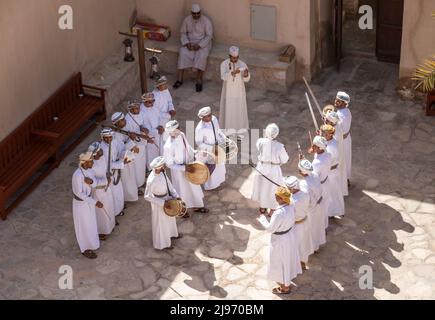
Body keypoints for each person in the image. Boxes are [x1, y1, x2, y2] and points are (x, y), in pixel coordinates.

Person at [257, 186, 302, 295]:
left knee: (279, 262)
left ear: (282, 198)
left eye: (277, 195)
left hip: (280, 240)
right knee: (288, 259)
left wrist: (262, 218)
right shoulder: (291, 205)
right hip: (289, 236)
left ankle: (284, 287)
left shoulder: (278, 213)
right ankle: (288, 278)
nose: (275, 196)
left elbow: (270, 228)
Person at [163, 120, 209, 216]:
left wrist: (196, 152)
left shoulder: (182, 135)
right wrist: (184, 168)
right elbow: (169, 164)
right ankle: (182, 210)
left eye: (178, 128)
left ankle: (197, 205)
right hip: (179, 171)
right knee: (182, 190)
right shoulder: (168, 147)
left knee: (194, 187)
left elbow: (188, 147)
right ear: (171, 132)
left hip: (190, 165)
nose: (179, 130)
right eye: (176, 129)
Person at [144, 156, 183, 250]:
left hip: (168, 199)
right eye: (163, 165)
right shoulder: (151, 180)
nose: (165, 166)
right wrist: (162, 203)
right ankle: (162, 244)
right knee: (161, 224)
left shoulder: (163, 173)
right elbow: (147, 196)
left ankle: (172, 235)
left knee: (170, 220)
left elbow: (169, 185)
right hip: (159, 204)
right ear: (159, 167)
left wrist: (176, 196)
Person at [173, 3, 213, 92]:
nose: (196, 15)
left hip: (203, 43)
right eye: (194, 13)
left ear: (200, 12)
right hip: (190, 43)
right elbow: (183, 33)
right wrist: (187, 43)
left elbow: (209, 36)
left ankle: (199, 80)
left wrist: (199, 45)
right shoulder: (186, 20)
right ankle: (180, 79)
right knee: (182, 53)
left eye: (198, 13)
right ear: (191, 13)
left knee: (202, 56)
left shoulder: (206, 21)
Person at [251, 123, 289, 214]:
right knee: (273, 189)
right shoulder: (279, 146)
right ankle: (272, 210)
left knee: (262, 187)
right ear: (276, 134)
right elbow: (284, 159)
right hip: (274, 170)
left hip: (261, 167)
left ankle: (262, 207)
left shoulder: (260, 141)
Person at [72, 152, 102, 259]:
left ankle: (93, 243)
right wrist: (94, 202)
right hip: (81, 204)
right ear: (84, 163)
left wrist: (91, 181)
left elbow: (95, 183)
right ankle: (84, 248)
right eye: (91, 161)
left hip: (89, 201)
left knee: (91, 223)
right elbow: (79, 193)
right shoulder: (77, 175)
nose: (93, 162)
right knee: (83, 226)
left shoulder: (90, 171)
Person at [219, 46, 250, 139]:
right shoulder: (224, 64)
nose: (235, 60)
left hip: (239, 91)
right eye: (233, 58)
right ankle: (228, 131)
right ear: (229, 56)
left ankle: (239, 131)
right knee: (229, 109)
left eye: (236, 58)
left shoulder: (242, 64)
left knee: (239, 109)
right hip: (228, 92)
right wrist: (232, 73)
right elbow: (223, 77)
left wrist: (246, 74)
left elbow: (247, 79)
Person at [285, 176, 314, 270]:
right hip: (306, 221)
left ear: (292, 188)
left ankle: (295, 266)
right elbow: (311, 204)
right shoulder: (306, 193)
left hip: (296, 226)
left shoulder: (291, 201)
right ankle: (303, 262)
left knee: (295, 246)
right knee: (304, 243)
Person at [88, 142, 116, 239]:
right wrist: (105, 181)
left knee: (109, 207)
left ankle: (110, 225)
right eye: (99, 151)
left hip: (107, 187)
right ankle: (101, 231)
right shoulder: (91, 165)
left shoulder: (103, 158)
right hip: (98, 191)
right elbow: (92, 182)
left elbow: (106, 170)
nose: (101, 151)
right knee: (101, 212)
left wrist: (108, 175)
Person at [298, 159, 326, 252]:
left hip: (312, 209)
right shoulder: (315, 174)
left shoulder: (303, 184)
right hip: (320, 203)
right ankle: (317, 244)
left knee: (311, 229)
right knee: (318, 226)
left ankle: (313, 247)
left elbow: (307, 199)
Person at [195, 106, 226, 190]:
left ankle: (219, 182)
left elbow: (218, 130)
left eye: (210, 114)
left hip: (217, 146)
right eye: (208, 116)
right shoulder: (199, 129)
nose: (210, 117)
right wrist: (211, 148)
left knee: (219, 167)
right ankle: (210, 186)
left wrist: (223, 138)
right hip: (208, 151)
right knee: (211, 168)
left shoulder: (214, 119)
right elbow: (199, 143)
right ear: (202, 118)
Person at [112, 112, 140, 203]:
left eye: (124, 119)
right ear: (116, 124)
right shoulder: (115, 136)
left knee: (132, 177)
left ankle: (134, 192)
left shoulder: (125, 128)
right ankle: (129, 197)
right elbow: (120, 152)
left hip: (129, 158)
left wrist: (133, 144)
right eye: (121, 121)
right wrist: (131, 142)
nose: (124, 121)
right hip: (123, 162)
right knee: (127, 181)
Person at [100, 128, 126, 216]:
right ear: (102, 138)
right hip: (109, 174)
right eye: (106, 138)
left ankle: (120, 208)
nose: (108, 140)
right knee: (113, 194)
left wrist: (125, 156)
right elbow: (108, 164)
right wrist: (122, 163)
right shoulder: (102, 149)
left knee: (119, 192)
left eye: (110, 137)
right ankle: (115, 213)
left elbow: (121, 149)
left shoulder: (114, 142)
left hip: (116, 171)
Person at [320, 124, 345, 218]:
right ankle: (333, 211)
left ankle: (336, 211)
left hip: (331, 172)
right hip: (332, 171)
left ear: (330, 134)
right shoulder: (331, 140)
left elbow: (327, 160)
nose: (322, 135)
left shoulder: (331, 146)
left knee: (333, 192)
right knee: (332, 192)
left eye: (324, 134)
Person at [125, 102, 150, 191]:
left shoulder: (140, 114)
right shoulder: (127, 120)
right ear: (130, 109)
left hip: (142, 144)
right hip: (135, 147)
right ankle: (137, 186)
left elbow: (143, 123)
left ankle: (142, 182)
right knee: (136, 167)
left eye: (138, 108)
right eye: (136, 108)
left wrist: (144, 128)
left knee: (141, 166)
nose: (138, 110)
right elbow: (128, 136)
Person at [309, 136, 332, 230]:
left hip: (320, 186)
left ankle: (321, 227)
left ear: (319, 148)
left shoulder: (317, 163)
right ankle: (324, 225)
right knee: (325, 205)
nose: (312, 146)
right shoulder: (328, 154)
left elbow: (312, 176)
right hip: (326, 182)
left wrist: (303, 162)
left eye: (314, 145)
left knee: (318, 207)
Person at [324, 110, 348, 196]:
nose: (325, 121)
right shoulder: (336, 126)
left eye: (327, 120)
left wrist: (321, 137)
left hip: (335, 158)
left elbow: (328, 144)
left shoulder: (335, 133)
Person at [140, 92, 166, 171]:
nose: (152, 103)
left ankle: (161, 165)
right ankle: (152, 169)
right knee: (151, 153)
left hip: (158, 133)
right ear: (144, 102)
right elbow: (145, 128)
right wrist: (156, 130)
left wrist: (161, 126)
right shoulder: (142, 112)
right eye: (149, 102)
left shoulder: (154, 107)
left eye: (153, 101)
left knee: (160, 149)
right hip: (150, 137)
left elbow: (160, 118)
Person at [335, 91, 352, 187]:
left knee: (342, 160)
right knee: (345, 160)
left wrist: (328, 123)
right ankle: (346, 179)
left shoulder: (342, 115)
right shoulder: (345, 111)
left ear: (344, 103)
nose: (336, 102)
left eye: (338, 101)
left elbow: (337, 129)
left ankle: (343, 181)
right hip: (345, 139)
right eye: (336, 100)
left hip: (341, 141)